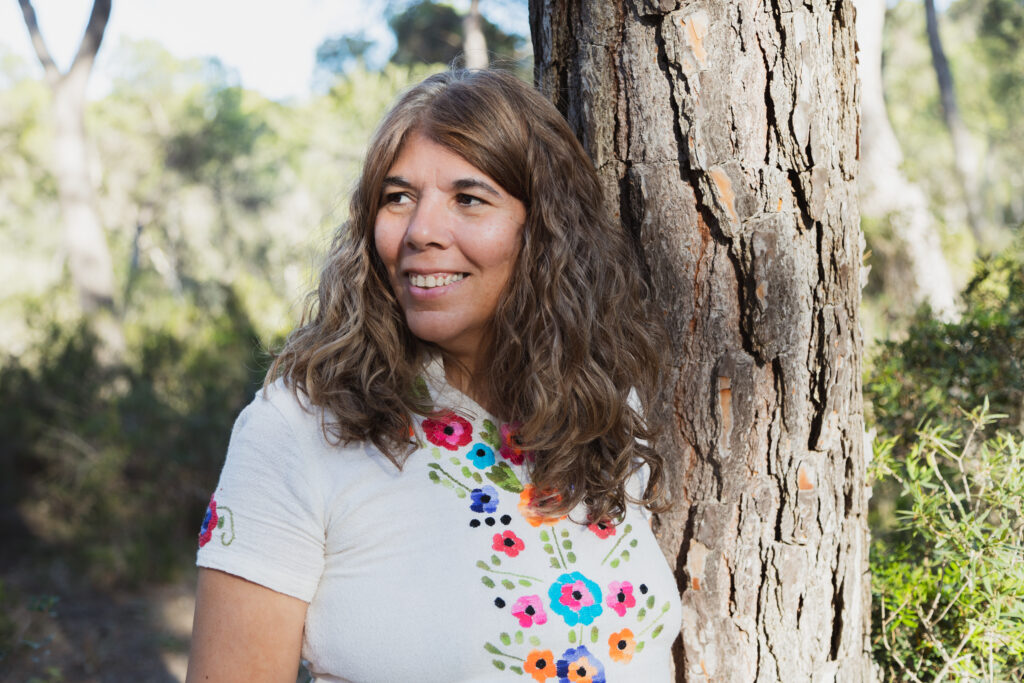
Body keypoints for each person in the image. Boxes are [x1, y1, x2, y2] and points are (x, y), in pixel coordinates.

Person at [186, 68, 683, 682]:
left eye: (468, 199)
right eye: (397, 198)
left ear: (546, 230)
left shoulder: (602, 409)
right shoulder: (297, 429)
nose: (421, 231)